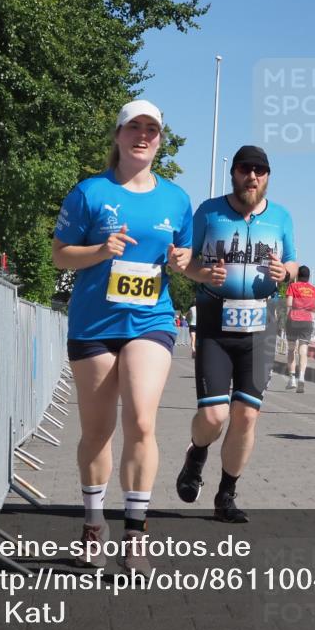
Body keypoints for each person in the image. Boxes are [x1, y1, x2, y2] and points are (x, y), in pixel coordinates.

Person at [52, 99, 192, 572]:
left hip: (151, 319)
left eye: (152, 129)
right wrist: (99, 250)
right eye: (134, 127)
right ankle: (94, 524)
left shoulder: (176, 199)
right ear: (117, 135)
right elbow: (60, 256)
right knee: (97, 431)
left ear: (159, 139)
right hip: (94, 324)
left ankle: (136, 530)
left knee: (143, 420)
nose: (143, 135)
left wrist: (182, 264)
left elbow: (185, 257)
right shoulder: (90, 193)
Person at [175, 145, 297, 522]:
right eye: (246, 169)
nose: (253, 176)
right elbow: (184, 261)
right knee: (213, 417)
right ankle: (196, 453)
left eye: (260, 170)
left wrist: (286, 273)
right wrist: (201, 273)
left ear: (267, 176)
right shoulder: (209, 212)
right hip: (215, 320)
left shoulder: (280, 217)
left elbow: (293, 260)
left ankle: (226, 495)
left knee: (246, 417)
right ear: (234, 173)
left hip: (260, 327)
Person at [285, 265, 315, 393]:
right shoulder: (314, 290)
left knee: (291, 350)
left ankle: (292, 379)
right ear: (308, 277)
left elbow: (289, 303)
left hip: (293, 320)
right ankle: (302, 378)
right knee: (303, 351)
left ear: (298, 275)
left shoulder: (293, 286)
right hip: (307, 321)